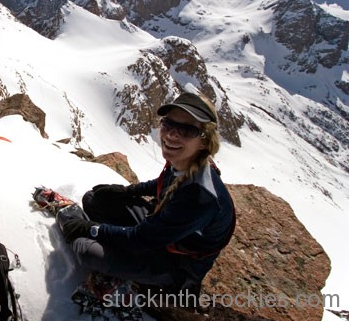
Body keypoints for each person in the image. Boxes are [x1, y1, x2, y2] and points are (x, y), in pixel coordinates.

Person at [57, 91, 236, 295]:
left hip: (176, 264)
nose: (171, 134)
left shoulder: (199, 197)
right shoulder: (189, 159)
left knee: (86, 250)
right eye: (168, 123)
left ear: (204, 140)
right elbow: (164, 182)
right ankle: (114, 246)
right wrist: (127, 191)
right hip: (161, 229)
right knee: (95, 199)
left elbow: (139, 240)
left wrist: (92, 229)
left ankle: (132, 272)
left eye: (187, 130)